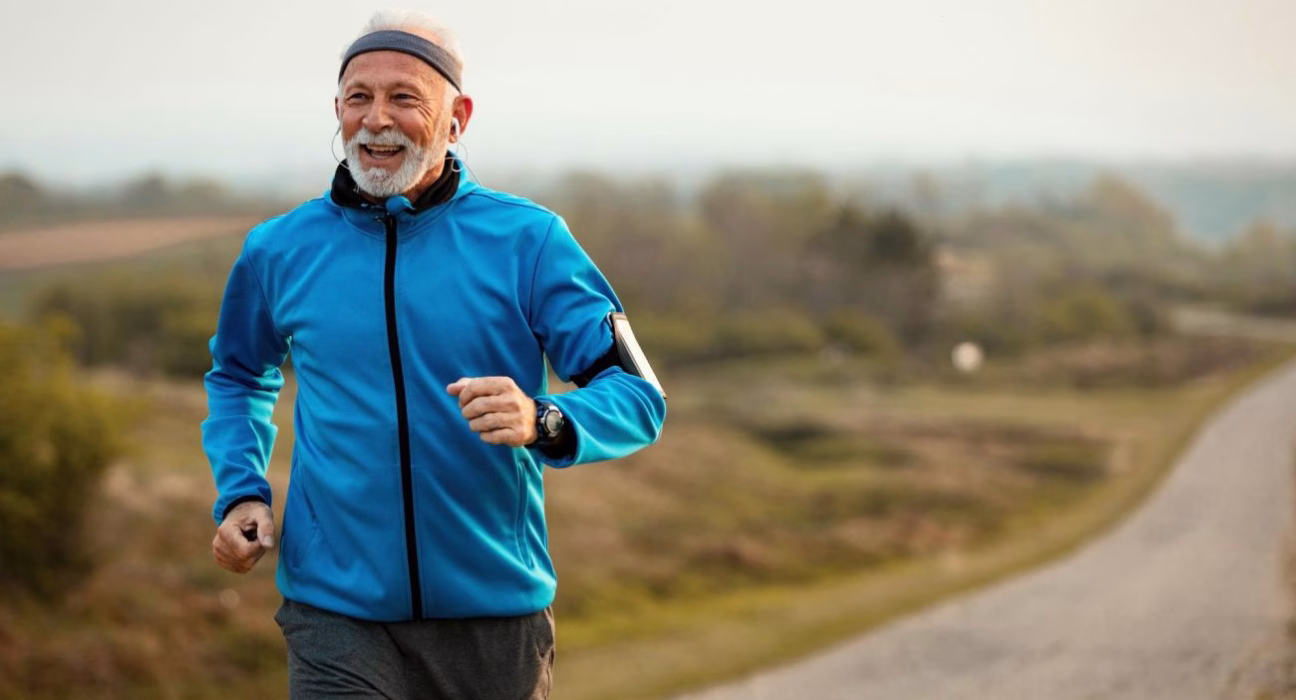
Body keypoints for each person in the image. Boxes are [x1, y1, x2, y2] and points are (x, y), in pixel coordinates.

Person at [202, 10, 667, 699]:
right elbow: (240, 374)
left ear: (457, 117)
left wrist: (543, 419)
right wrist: (242, 488)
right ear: (337, 110)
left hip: (495, 620)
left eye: (404, 98)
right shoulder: (278, 249)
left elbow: (636, 395)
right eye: (358, 97)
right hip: (335, 614)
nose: (376, 119)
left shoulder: (528, 240)